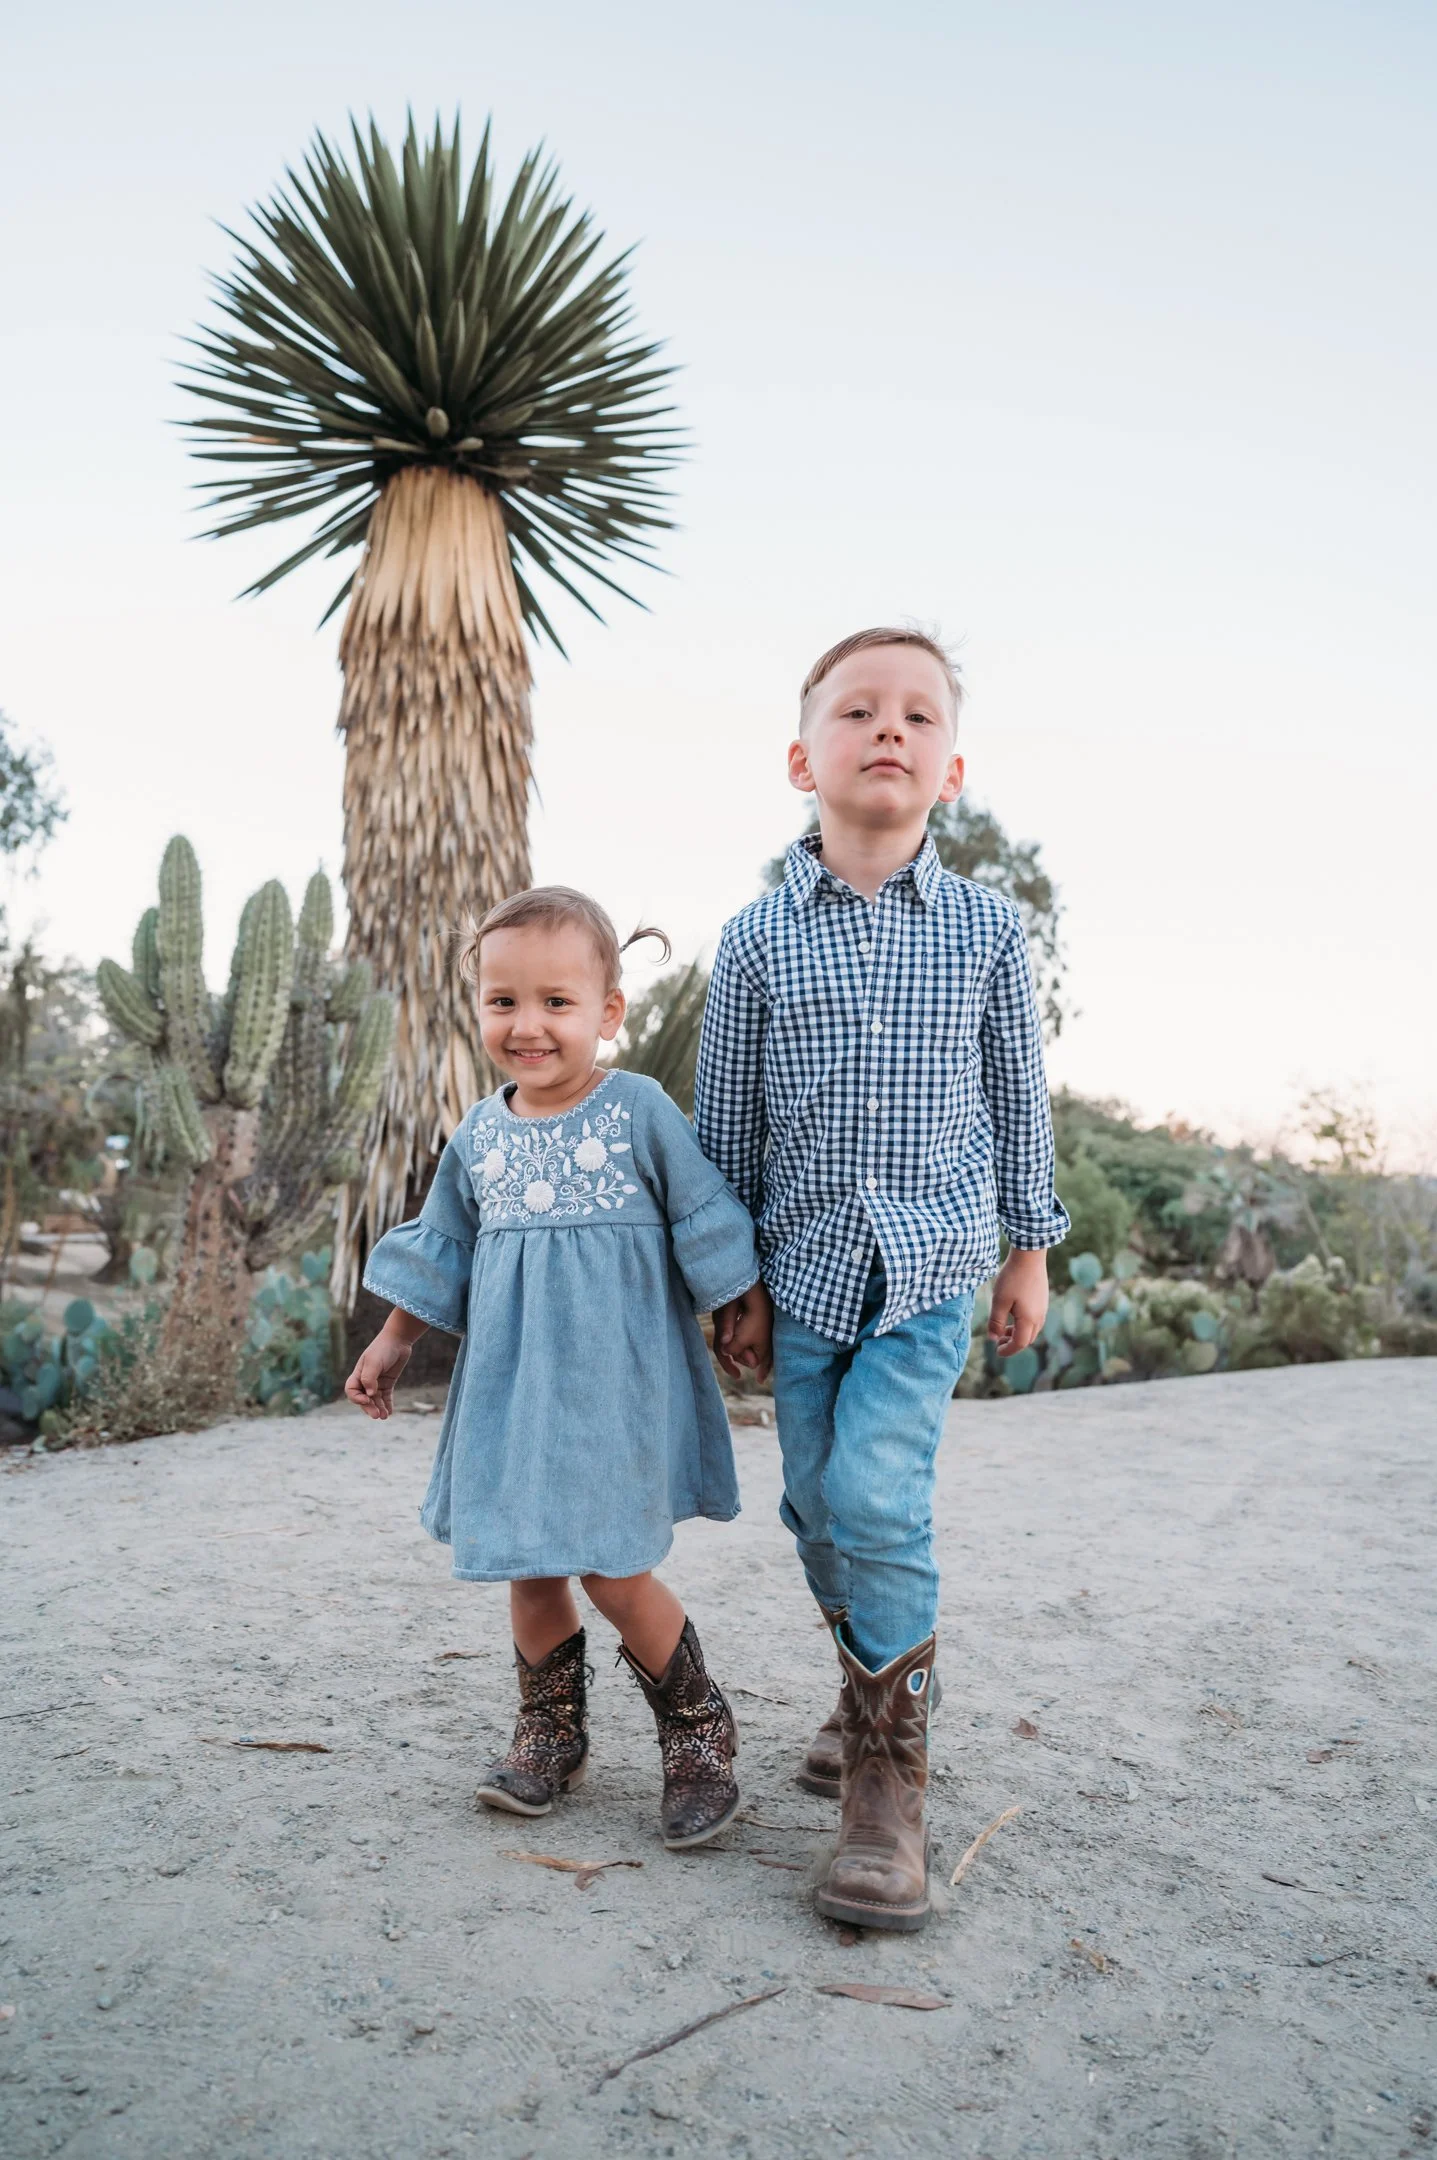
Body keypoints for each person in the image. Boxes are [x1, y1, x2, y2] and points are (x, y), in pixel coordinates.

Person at [695, 627, 1069, 1931]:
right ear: (805, 757)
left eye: (917, 715)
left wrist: (1029, 1245)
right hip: (799, 1276)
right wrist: (728, 1277)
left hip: (928, 1275)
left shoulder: (983, 929)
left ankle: (885, 1787)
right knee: (814, 1508)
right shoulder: (752, 943)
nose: (889, 730)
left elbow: (1018, 1098)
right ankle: (869, 1684)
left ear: (949, 768)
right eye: (859, 711)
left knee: (875, 1498)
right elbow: (724, 1125)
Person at [346, 887, 771, 1850]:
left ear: (607, 1012)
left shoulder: (638, 1110)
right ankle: (550, 1734)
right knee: (530, 1565)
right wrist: (393, 1341)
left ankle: (698, 1730)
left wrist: (738, 1305)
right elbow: (444, 1250)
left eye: (555, 1002)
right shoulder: (480, 1134)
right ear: (480, 1008)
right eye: (503, 1002)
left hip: (616, 1386)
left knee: (614, 1570)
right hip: (511, 1386)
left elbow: (703, 1213)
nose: (526, 1025)